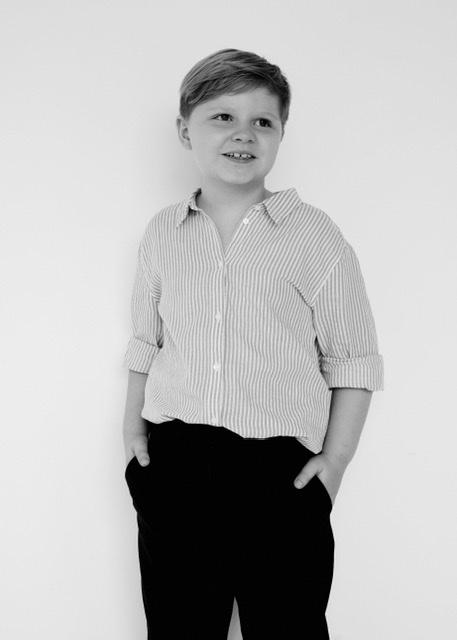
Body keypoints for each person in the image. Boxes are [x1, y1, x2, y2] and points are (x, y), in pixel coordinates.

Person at [122, 48, 384, 640]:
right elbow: (147, 340)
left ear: (281, 134)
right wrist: (134, 434)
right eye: (223, 117)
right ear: (185, 130)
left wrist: (334, 464)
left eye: (262, 121)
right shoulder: (164, 232)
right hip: (177, 464)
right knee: (179, 628)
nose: (244, 134)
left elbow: (353, 359)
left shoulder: (314, 236)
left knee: (289, 627)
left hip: (279, 475)